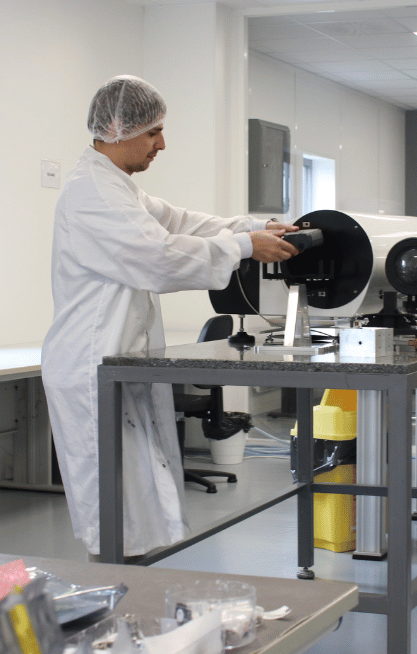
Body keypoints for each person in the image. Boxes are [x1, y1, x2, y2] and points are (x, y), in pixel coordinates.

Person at [41, 75, 301, 557]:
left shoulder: (118, 188)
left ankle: (130, 583)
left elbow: (182, 223)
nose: (162, 144)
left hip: (118, 360)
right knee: (113, 507)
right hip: (91, 365)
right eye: (153, 132)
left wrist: (256, 227)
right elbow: (159, 258)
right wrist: (245, 246)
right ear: (116, 128)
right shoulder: (92, 192)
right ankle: (113, 584)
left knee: (136, 504)